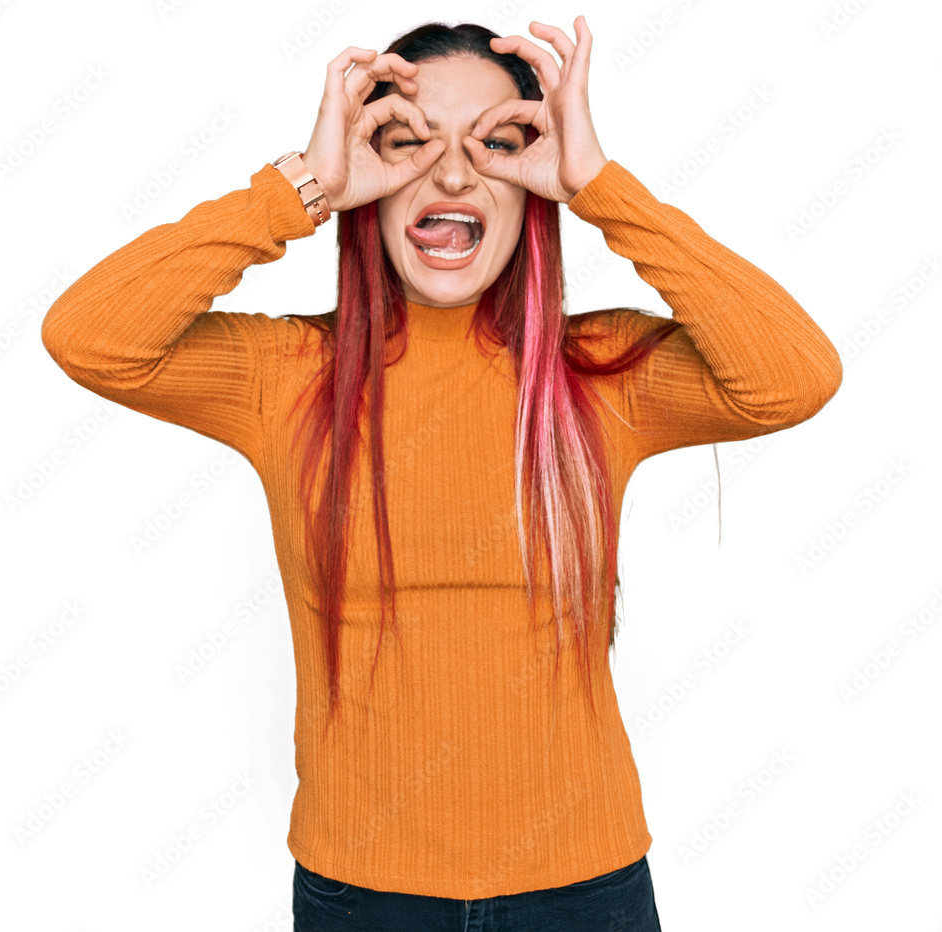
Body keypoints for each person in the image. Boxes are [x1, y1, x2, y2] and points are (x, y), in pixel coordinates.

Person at [41, 15, 842, 931]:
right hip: (360, 898)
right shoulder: (288, 376)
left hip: (584, 892)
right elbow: (89, 337)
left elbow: (795, 377)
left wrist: (600, 187)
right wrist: (301, 188)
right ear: (365, 176)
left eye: (499, 145)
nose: (454, 175)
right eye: (407, 145)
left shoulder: (598, 372)